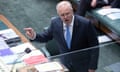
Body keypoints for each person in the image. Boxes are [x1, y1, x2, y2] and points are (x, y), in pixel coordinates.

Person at [24, 1, 99, 72]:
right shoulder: (55, 23)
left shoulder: (85, 24)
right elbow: (46, 36)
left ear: (72, 11)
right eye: (62, 15)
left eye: (67, 14)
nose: (65, 17)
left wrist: (92, 67)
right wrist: (34, 35)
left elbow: (94, 46)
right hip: (65, 64)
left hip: (82, 66)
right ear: (58, 14)